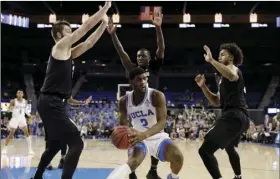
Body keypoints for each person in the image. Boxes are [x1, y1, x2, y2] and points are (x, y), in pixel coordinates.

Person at [31, 2, 111, 179]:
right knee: (77, 143)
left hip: (54, 102)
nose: (72, 33)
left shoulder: (67, 53)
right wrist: (105, 9)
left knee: (55, 145)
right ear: (60, 35)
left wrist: (104, 23)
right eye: (69, 31)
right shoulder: (59, 47)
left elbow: (89, 43)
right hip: (51, 103)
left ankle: (36, 177)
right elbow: (84, 29)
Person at [107, 10, 165, 179]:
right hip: (137, 107)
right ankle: (131, 171)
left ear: (149, 58)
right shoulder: (132, 70)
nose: (140, 58)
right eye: (138, 56)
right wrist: (113, 35)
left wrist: (158, 29)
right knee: (128, 136)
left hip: (153, 107)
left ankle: (153, 171)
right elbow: (121, 52)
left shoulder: (154, 67)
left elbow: (161, 48)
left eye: (143, 56)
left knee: (157, 138)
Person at [107, 67, 184, 179]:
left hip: (157, 136)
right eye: (139, 79)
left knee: (178, 157)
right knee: (133, 163)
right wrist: (119, 134)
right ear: (131, 82)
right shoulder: (124, 101)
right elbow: (124, 125)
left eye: (145, 79)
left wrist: (144, 135)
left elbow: (162, 122)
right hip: (137, 136)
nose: (143, 82)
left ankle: (172, 177)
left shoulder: (156, 95)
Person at [195, 43, 250, 179]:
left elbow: (232, 75)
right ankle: (238, 176)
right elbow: (216, 101)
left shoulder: (233, 69)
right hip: (239, 118)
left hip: (234, 115)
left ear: (231, 57)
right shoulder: (222, 79)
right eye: (218, 55)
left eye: (222, 54)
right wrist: (203, 87)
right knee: (230, 147)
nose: (219, 57)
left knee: (205, 151)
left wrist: (211, 60)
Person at [46, 96, 92, 170]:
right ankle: (48, 162)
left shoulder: (66, 89)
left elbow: (70, 100)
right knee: (50, 140)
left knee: (64, 138)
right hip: (51, 116)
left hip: (63, 116)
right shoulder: (51, 89)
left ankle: (62, 160)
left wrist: (82, 102)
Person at [1, 89, 34, 155]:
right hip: (15, 119)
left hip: (22, 119)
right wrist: (9, 108)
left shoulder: (25, 101)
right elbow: (8, 110)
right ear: (16, 94)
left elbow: (26, 110)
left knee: (27, 133)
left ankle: (30, 150)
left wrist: (30, 116)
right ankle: (4, 148)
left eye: (21, 93)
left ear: (23, 94)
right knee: (11, 134)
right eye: (18, 93)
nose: (19, 94)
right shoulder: (13, 101)